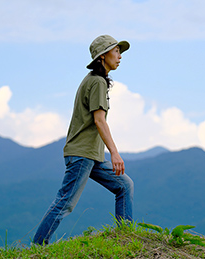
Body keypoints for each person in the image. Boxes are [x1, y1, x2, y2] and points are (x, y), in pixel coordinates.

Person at [33, 35, 134, 245]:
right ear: (103, 56)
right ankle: (37, 247)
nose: (120, 56)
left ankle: (126, 238)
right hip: (82, 154)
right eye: (116, 51)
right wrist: (115, 153)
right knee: (65, 203)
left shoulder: (94, 80)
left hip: (92, 155)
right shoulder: (96, 82)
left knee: (124, 185)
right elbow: (100, 121)